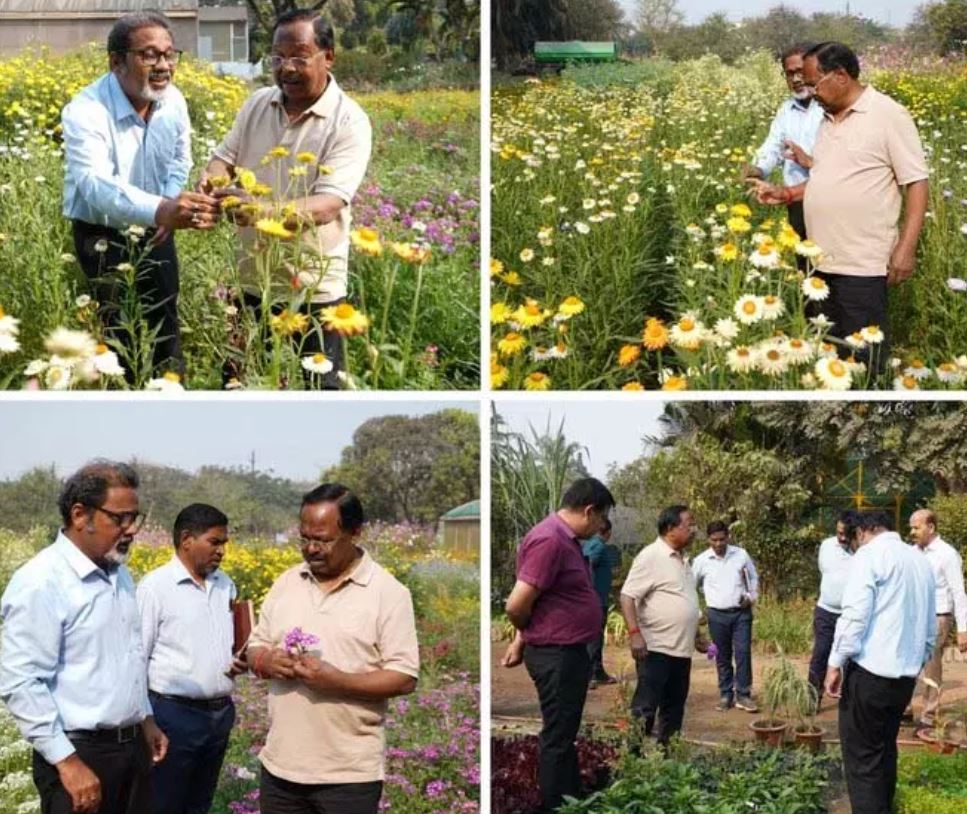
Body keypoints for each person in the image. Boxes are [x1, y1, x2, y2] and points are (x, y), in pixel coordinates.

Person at [199, 10, 372, 389]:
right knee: (236, 383)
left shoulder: (349, 121)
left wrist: (257, 211)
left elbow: (327, 205)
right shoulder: (258, 103)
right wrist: (212, 186)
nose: (286, 68)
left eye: (299, 56)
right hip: (251, 281)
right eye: (277, 58)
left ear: (328, 56)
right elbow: (223, 159)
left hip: (313, 287)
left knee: (320, 388)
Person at [0, 461, 168, 814]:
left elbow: (127, 656)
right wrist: (69, 763)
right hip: (80, 757)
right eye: (119, 518)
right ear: (80, 515)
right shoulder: (41, 582)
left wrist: (145, 719)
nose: (130, 530)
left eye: (134, 518)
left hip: (131, 750)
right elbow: (21, 680)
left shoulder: (117, 572)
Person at [243, 484, 418, 814]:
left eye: (322, 540)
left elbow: (404, 677)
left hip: (347, 776)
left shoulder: (388, 593)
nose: (311, 548)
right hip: (281, 769)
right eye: (304, 538)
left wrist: (335, 681)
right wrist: (266, 660)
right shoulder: (287, 583)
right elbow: (255, 646)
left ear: (355, 533)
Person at [752, 42, 929, 366]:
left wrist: (906, 247)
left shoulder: (888, 115)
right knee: (827, 356)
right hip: (819, 263)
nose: (807, 90)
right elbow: (826, 178)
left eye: (812, 83)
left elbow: (916, 183)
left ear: (841, 75)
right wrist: (788, 194)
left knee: (864, 359)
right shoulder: (827, 120)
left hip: (860, 265)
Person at [62, 12, 218, 379]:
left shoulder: (173, 102)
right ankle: (123, 406)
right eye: (149, 55)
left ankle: (170, 394)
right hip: (101, 232)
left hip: (157, 225)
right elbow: (95, 185)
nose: (164, 66)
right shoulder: (86, 111)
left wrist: (168, 202)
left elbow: (181, 158)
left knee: (166, 317)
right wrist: (161, 209)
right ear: (117, 62)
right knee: (117, 332)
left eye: (169, 54)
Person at [500, 477, 614, 813]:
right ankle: (556, 806)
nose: (600, 527)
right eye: (600, 518)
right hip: (556, 654)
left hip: (566, 652)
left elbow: (543, 598)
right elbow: (517, 604)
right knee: (558, 736)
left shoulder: (566, 539)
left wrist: (522, 637)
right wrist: (526, 631)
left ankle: (571, 800)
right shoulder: (549, 540)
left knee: (565, 733)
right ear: (589, 510)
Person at [825, 511, 935, 814]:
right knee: (884, 750)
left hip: (871, 674)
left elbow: (855, 615)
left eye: (853, 539)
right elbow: (930, 628)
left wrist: (835, 663)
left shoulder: (870, 556)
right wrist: (918, 661)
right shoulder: (919, 561)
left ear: (863, 532)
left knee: (862, 760)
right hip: (904, 679)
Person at [137, 503, 238, 814]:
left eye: (224, 543)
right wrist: (146, 720)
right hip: (173, 715)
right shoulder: (156, 588)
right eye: (214, 542)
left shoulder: (225, 585)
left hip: (219, 714)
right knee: (165, 803)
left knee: (199, 803)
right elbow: (137, 658)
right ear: (186, 539)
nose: (221, 551)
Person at [620, 505, 708, 747]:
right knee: (645, 709)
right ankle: (633, 759)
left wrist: (697, 634)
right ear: (670, 528)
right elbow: (627, 597)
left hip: (681, 650)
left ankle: (668, 762)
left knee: (674, 709)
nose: (694, 530)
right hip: (656, 649)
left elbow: (684, 603)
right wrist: (635, 634)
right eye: (689, 524)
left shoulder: (684, 562)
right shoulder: (651, 556)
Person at [742, 42, 824, 245]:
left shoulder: (827, 106)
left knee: (830, 263)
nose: (796, 79)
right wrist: (758, 169)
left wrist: (810, 162)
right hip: (795, 200)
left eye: (801, 72)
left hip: (828, 199)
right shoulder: (786, 110)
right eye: (789, 74)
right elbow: (773, 146)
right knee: (803, 264)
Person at [691, 521, 760, 713]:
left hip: (741, 613)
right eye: (714, 540)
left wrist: (751, 597)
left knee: (743, 653)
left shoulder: (740, 554)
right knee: (721, 655)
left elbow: (753, 577)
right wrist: (697, 613)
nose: (719, 544)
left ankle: (744, 694)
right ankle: (725, 694)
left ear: (728, 537)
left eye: (722, 539)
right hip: (716, 615)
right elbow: (690, 587)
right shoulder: (701, 560)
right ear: (708, 539)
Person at [908, 508, 967, 728]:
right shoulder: (912, 552)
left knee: (931, 667)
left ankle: (928, 716)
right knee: (907, 663)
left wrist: (963, 629)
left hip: (937, 617)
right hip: (913, 617)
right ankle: (904, 709)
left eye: (917, 527)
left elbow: (958, 592)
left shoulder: (947, 554)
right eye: (911, 527)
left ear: (931, 527)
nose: (912, 531)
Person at [806, 511, 857, 711]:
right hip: (826, 611)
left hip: (851, 615)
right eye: (839, 533)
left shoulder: (863, 552)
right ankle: (811, 699)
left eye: (846, 534)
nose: (842, 538)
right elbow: (823, 570)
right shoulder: (827, 546)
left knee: (850, 659)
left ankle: (849, 701)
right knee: (820, 654)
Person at [583, 518, 618, 688]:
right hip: (596, 600)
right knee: (594, 639)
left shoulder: (589, 543)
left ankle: (597, 672)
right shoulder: (598, 546)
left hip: (596, 599)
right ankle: (590, 675)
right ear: (608, 532)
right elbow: (587, 564)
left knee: (595, 638)